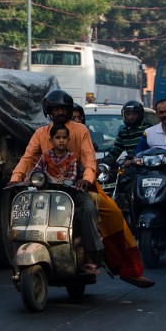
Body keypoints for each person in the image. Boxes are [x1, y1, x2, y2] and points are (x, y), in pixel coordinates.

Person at [9, 89, 154, 288]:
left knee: (109, 212)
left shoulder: (80, 131)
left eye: (63, 108)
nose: (60, 112)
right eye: (55, 108)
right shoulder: (40, 133)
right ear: (49, 111)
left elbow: (89, 158)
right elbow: (28, 158)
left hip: (78, 187)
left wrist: (86, 179)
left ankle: (116, 264)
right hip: (46, 190)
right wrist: (15, 179)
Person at [28, 123, 103, 274]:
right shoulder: (46, 156)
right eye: (57, 138)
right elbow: (35, 171)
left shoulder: (72, 158)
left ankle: (90, 256)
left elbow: (72, 177)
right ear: (51, 140)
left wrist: (66, 182)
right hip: (49, 194)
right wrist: (29, 179)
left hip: (69, 193)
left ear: (69, 140)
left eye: (64, 138)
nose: (61, 141)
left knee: (84, 212)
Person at [105, 100, 149, 168]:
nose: (131, 117)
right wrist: (102, 162)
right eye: (128, 114)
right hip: (132, 169)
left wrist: (134, 160)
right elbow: (114, 153)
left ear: (140, 114)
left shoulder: (148, 130)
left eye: (134, 114)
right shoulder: (123, 133)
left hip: (148, 167)